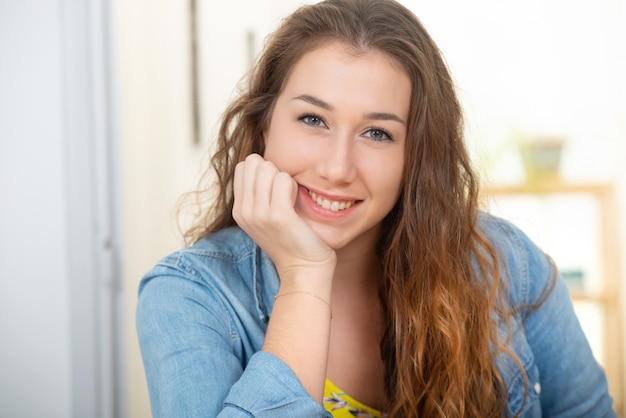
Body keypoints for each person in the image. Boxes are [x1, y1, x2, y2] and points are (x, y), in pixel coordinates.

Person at [136, 0, 617, 417]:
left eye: (377, 133)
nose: (338, 168)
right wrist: (305, 275)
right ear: (265, 128)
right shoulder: (189, 295)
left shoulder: (510, 266)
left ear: (416, 156)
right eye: (312, 119)